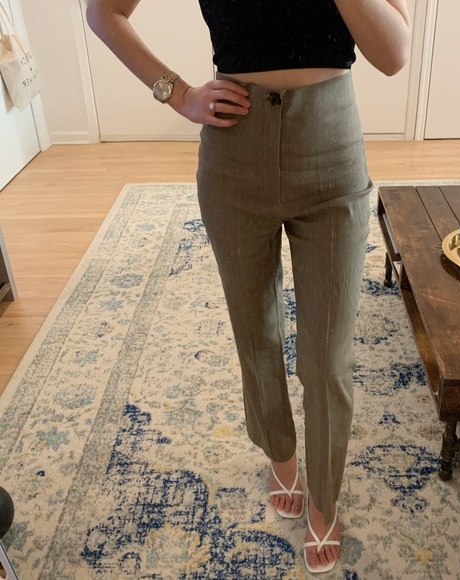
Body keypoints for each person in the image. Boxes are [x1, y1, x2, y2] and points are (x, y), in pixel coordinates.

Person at [86, 0, 411, 573]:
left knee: (327, 358)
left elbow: (393, 54)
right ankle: (280, 454)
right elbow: (103, 12)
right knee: (255, 331)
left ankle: (325, 495)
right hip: (234, 153)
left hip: (331, 149)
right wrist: (178, 93)